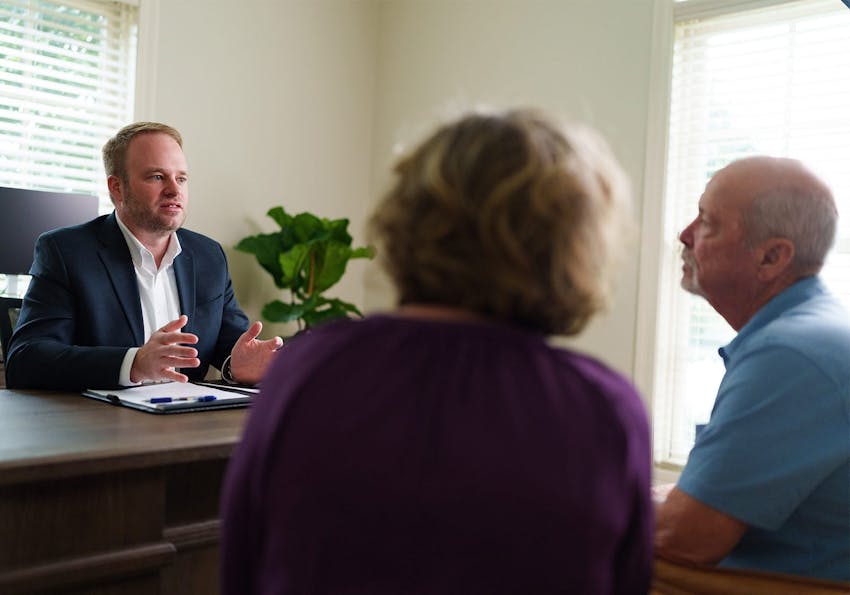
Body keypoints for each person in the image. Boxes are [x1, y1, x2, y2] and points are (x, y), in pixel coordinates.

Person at [220, 109, 652, 594]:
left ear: (409, 219)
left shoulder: (308, 370)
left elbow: (242, 567)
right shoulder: (604, 410)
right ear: (575, 243)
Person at [654, 156, 850, 582]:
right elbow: (716, 496)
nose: (684, 234)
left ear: (772, 257)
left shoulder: (791, 355)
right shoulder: (808, 334)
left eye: (707, 222)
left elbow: (683, 538)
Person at [5, 122, 282, 390]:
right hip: (101, 426)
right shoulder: (66, 251)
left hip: (190, 422)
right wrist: (133, 364)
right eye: (157, 177)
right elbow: (27, 359)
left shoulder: (208, 256)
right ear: (117, 188)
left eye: (181, 178)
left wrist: (238, 364)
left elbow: (231, 346)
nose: (175, 190)